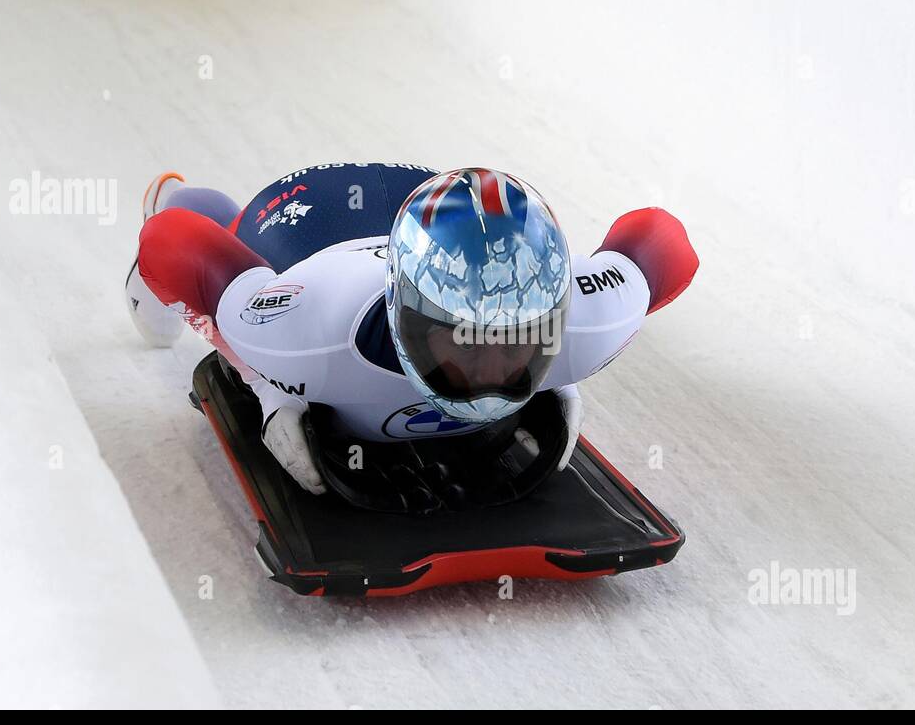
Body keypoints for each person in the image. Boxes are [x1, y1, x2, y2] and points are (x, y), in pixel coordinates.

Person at [125, 162, 697, 496]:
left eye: (519, 341)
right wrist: (268, 384)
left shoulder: (588, 322)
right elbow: (174, 241)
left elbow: (660, 240)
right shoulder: (302, 333)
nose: (491, 371)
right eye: (467, 344)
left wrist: (555, 381)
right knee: (219, 225)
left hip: (440, 208)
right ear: (408, 320)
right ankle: (186, 190)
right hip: (310, 219)